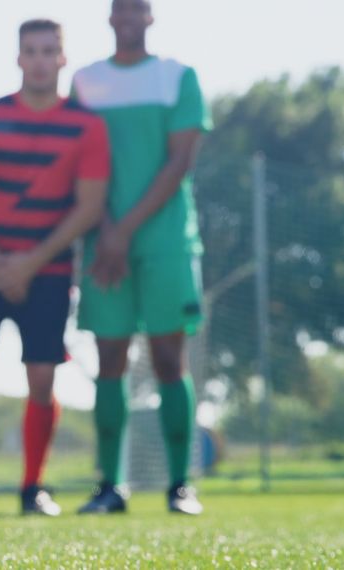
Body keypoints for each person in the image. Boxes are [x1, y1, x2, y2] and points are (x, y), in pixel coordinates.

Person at [0, 19, 110, 516]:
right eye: (30, 50)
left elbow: (89, 206)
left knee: (41, 377)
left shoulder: (86, 125)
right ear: (18, 58)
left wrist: (30, 262)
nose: (39, 59)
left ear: (62, 58)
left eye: (48, 50)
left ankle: (32, 486)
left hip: (49, 272)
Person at [71, 0, 212, 515]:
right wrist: (106, 228)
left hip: (167, 241)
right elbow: (79, 161)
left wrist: (123, 231)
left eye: (138, 8)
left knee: (169, 360)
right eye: (120, 8)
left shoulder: (179, 77)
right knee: (110, 361)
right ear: (109, 17)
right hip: (102, 242)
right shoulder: (85, 82)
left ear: (151, 16)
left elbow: (181, 161)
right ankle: (110, 485)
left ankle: (180, 485)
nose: (128, 15)